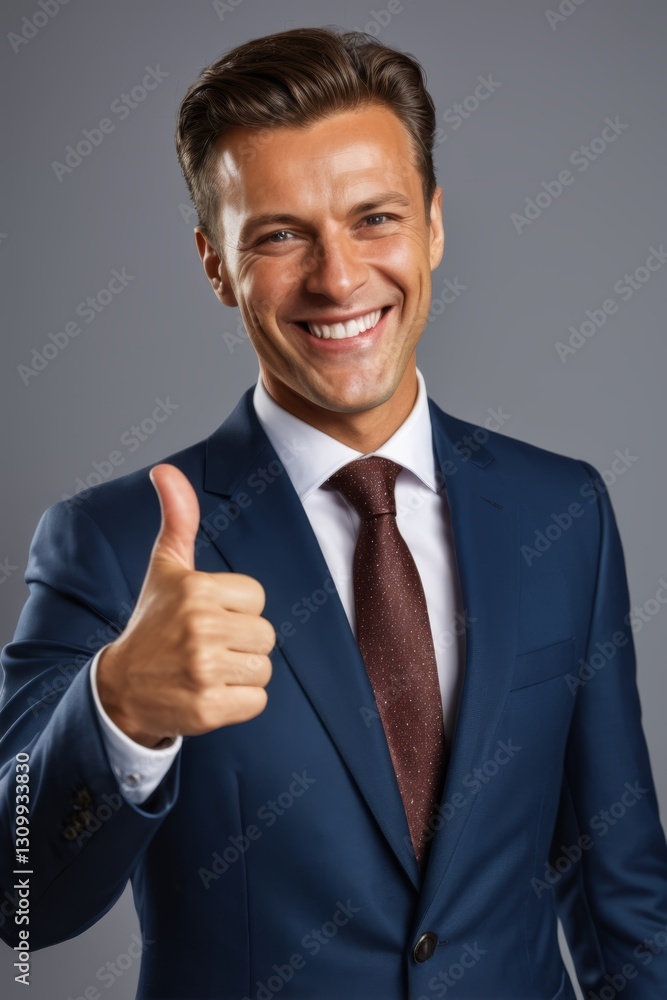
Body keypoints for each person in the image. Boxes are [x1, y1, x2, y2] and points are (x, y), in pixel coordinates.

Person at [1, 25, 666, 1000]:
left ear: (433, 224)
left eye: (373, 218)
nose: (339, 277)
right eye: (278, 235)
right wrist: (119, 709)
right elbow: (21, 906)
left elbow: (625, 901)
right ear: (215, 265)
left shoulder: (562, 510)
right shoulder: (109, 542)